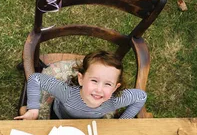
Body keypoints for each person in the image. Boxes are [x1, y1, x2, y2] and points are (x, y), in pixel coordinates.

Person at [16, 50, 146, 120]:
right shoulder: (66, 93)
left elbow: (141, 96)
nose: (99, 90)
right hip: (59, 118)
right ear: (81, 79)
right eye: (94, 81)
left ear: (115, 88)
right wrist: (33, 109)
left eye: (108, 84)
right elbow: (35, 79)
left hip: (90, 127)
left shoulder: (114, 101)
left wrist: (123, 121)